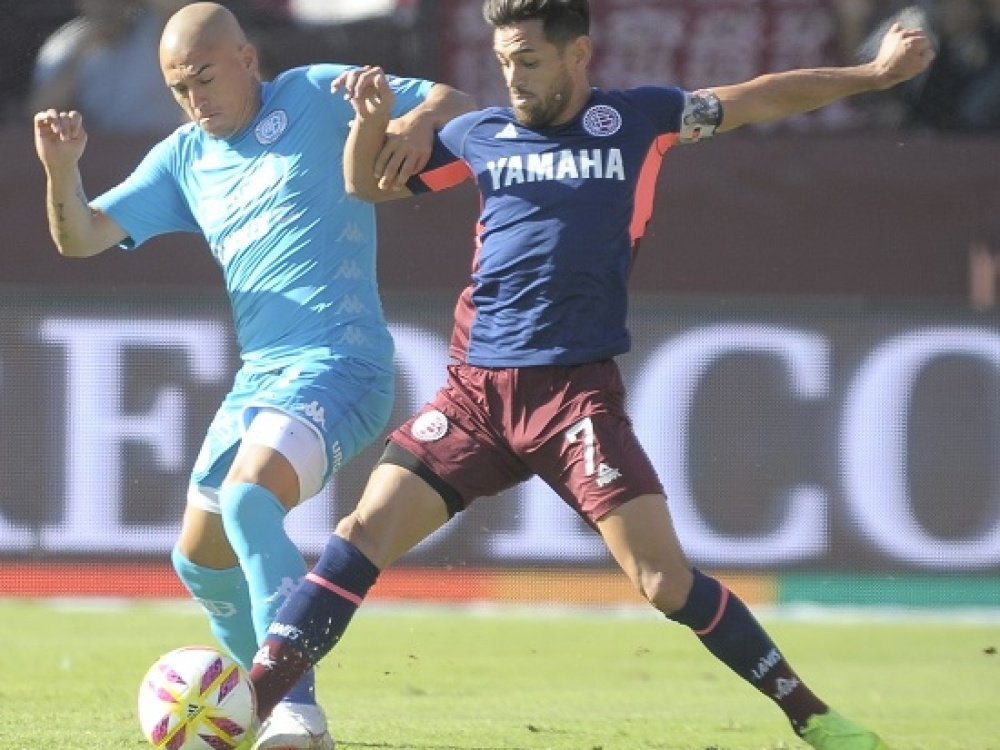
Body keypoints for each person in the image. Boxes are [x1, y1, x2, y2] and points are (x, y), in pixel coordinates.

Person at [245, 1, 934, 749]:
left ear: (578, 54)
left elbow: (763, 95)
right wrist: (372, 123)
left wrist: (873, 75)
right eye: (504, 62)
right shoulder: (479, 134)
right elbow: (367, 186)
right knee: (358, 535)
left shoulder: (640, 120)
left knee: (664, 583)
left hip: (573, 399)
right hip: (473, 396)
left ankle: (814, 717)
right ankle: (245, 709)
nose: (513, 78)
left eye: (529, 61)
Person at [32, 2, 473, 749]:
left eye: (205, 78)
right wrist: (61, 171)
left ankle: (295, 709)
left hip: (342, 362)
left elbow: (452, 99)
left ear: (246, 59)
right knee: (199, 560)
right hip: (260, 381)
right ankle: (258, 704)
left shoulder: (314, 92)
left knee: (248, 499)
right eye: (178, 88)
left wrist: (416, 122)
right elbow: (80, 237)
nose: (194, 100)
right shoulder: (182, 157)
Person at [28, 0, 194, 134]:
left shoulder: (159, 27)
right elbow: (41, 112)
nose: (107, 4)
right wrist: (80, 56)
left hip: (164, 142)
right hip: (103, 152)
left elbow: (180, 9)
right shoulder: (66, 43)